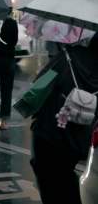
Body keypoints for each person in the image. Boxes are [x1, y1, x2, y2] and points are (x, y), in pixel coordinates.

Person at [30, 36, 98, 204]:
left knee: (49, 183)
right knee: (67, 178)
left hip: (49, 131)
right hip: (79, 140)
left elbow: (39, 85)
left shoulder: (68, 56)